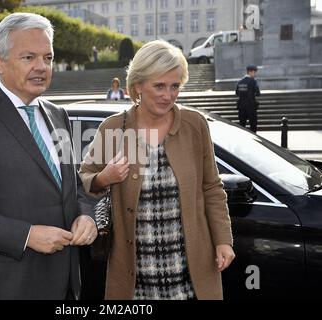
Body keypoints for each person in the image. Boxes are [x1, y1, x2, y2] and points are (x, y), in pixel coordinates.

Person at [0, 12, 97, 300]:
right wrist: (26, 235)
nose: (41, 67)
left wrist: (86, 217)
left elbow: (74, 186)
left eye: (47, 58)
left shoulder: (57, 114)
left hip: (67, 283)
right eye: (28, 58)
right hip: (9, 285)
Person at [79, 40, 235, 300]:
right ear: (137, 86)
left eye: (175, 86)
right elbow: (84, 180)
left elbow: (212, 187)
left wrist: (223, 239)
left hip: (189, 272)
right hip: (135, 276)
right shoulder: (113, 128)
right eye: (159, 86)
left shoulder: (195, 125)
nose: (168, 95)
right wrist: (104, 177)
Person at [236, 65, 261, 133]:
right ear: (250, 72)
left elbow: (237, 93)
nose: (255, 74)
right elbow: (258, 93)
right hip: (251, 106)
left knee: (242, 125)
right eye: (254, 72)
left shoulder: (240, 81)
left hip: (241, 106)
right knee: (253, 126)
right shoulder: (253, 81)